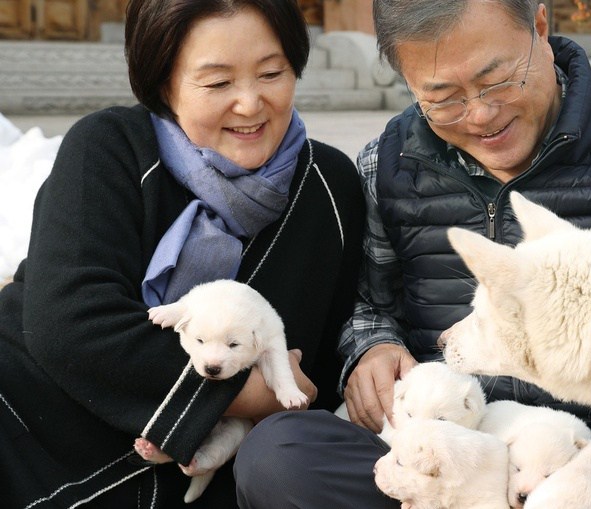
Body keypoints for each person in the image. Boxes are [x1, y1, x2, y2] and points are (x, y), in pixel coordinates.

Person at [233, 0, 591, 507]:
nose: (480, 115)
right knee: (278, 457)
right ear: (407, 81)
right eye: (442, 98)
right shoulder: (387, 164)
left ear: (540, 28)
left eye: (497, 79)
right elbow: (369, 305)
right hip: (447, 452)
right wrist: (372, 346)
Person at [0, 0, 365, 507]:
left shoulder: (329, 185)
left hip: (202, 470)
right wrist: (248, 393)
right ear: (163, 83)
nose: (250, 103)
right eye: (218, 83)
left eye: (272, 73)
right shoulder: (108, 147)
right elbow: (69, 321)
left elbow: (328, 356)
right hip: (29, 419)